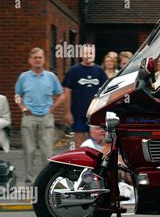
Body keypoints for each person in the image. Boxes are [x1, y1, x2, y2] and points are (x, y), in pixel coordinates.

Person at [14, 47, 65, 185]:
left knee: (47, 151)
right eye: (35, 57)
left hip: (46, 117)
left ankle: (46, 181)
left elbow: (61, 95)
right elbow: (17, 96)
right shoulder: (23, 77)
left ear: (44, 60)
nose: (37, 60)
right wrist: (23, 108)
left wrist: (52, 108)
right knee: (29, 151)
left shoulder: (51, 77)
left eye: (40, 57)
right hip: (28, 117)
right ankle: (30, 180)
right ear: (30, 60)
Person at [63, 44, 108, 149]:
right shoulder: (73, 71)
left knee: (97, 142)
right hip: (78, 112)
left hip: (94, 113)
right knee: (79, 143)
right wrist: (67, 112)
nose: (88, 55)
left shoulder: (100, 71)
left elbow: (106, 90)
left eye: (91, 53)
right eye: (86, 53)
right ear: (81, 54)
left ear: (94, 54)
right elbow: (67, 91)